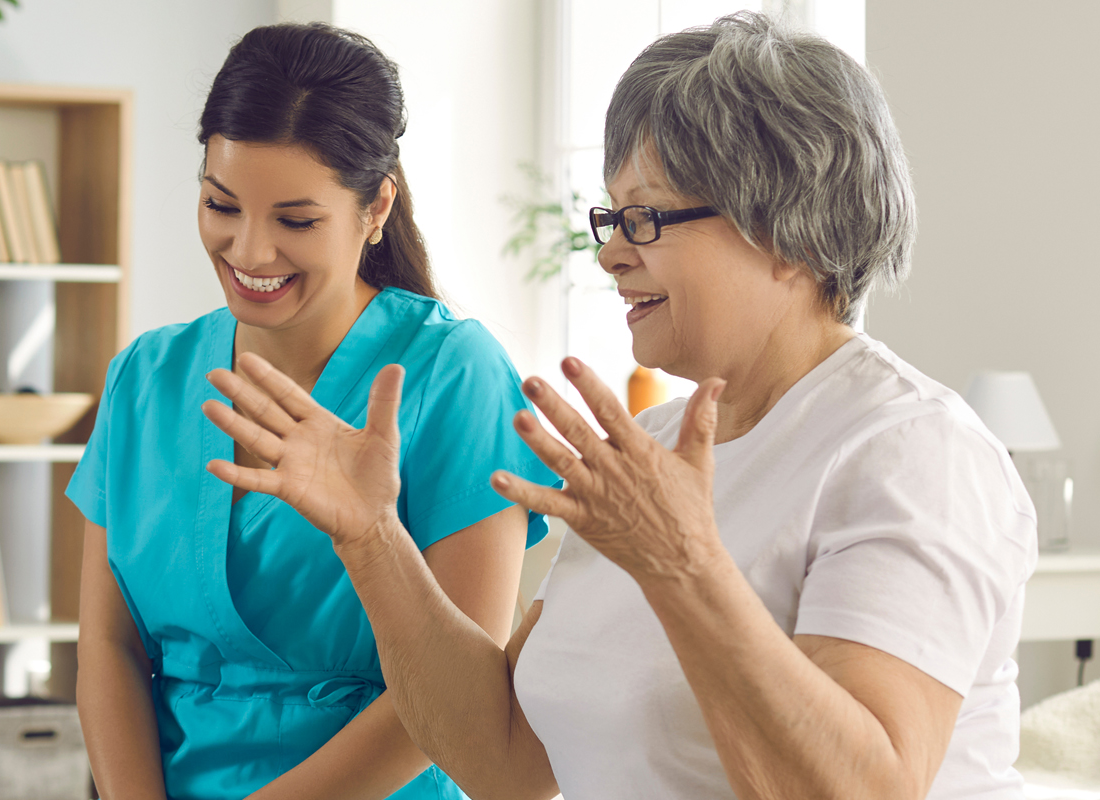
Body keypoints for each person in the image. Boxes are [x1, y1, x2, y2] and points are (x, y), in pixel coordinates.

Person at [202, 12, 1034, 800]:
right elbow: (507, 761)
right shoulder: (649, 445)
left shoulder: (911, 451)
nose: (607, 254)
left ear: (790, 230)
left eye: (646, 218)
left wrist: (682, 567)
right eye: (610, 215)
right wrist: (372, 539)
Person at [70, 23, 558, 800]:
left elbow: (457, 681)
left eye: (295, 221)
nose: (249, 251)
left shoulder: (452, 373)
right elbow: (106, 644)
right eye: (220, 204)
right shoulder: (145, 376)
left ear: (374, 209)